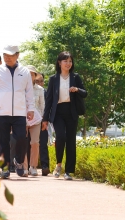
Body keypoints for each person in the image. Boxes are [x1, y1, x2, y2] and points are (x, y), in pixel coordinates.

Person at [0, 45, 35, 179]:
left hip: (19, 112)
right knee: (3, 141)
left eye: (10, 55)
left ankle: (18, 162)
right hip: (2, 112)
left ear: (17, 55)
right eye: (5, 55)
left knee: (21, 138)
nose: (7, 58)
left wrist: (30, 108)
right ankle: (5, 168)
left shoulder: (24, 72)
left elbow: (29, 92)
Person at [41, 51, 87, 180]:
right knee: (60, 137)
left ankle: (68, 171)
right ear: (59, 63)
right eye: (65, 61)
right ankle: (58, 164)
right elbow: (49, 99)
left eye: (70, 61)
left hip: (71, 112)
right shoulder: (53, 79)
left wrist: (77, 89)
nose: (68, 63)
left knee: (71, 141)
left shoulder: (76, 77)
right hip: (58, 113)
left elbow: (85, 93)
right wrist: (45, 119)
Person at [23, 65, 43, 177]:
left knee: (35, 142)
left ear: (35, 76)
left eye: (32, 74)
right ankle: (24, 167)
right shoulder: (20, 88)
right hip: (22, 119)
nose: (30, 76)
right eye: (28, 73)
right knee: (22, 142)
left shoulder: (40, 90)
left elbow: (42, 105)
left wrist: (43, 119)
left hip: (36, 120)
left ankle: (33, 166)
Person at [35, 73, 50, 176]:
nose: (40, 83)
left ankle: (45, 166)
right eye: (37, 81)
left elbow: (47, 107)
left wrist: (46, 120)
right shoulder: (28, 91)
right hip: (30, 121)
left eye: (41, 81)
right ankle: (29, 166)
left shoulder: (46, 92)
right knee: (31, 144)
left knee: (43, 144)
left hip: (42, 121)